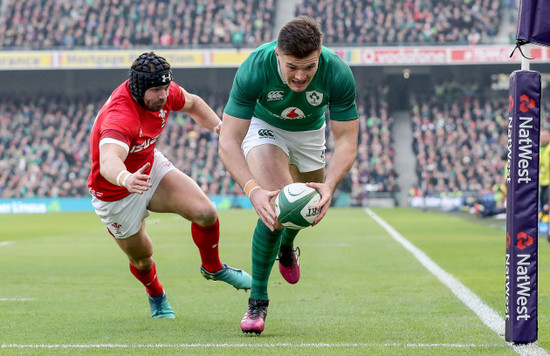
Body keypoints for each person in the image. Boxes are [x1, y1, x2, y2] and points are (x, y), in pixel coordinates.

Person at [219, 16, 359, 334]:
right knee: (278, 206)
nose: (300, 76)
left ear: (320, 54)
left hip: (311, 134)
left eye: (308, 67)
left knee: (305, 207)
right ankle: (258, 302)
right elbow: (227, 141)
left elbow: (348, 140)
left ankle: (287, 245)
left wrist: (329, 185)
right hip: (264, 127)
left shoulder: (337, 72)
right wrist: (253, 189)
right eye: (292, 66)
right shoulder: (255, 67)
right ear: (278, 56)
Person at [87, 52, 251, 319]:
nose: (163, 95)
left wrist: (221, 129)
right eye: (156, 90)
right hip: (115, 191)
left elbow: (194, 104)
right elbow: (108, 162)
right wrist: (127, 178)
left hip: (149, 167)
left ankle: (214, 267)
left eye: (165, 87)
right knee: (143, 257)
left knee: (205, 212)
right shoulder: (120, 116)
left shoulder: (164, 92)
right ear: (139, 89)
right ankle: (157, 294)